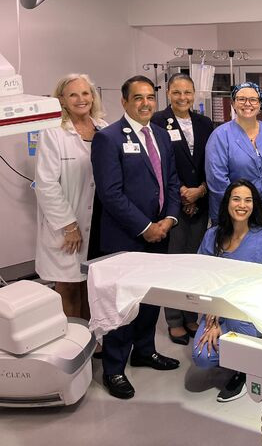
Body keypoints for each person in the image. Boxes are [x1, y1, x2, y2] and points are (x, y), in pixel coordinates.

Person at [91, 75, 181, 399]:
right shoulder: (108, 138)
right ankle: (114, 368)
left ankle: (144, 351)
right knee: (122, 304)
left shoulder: (159, 134)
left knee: (150, 300)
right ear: (125, 102)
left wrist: (169, 219)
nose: (145, 103)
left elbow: (171, 181)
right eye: (138, 98)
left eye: (150, 98)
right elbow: (111, 194)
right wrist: (146, 227)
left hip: (161, 233)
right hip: (126, 237)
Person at [192, 179, 262, 403]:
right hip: (218, 309)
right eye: (236, 199)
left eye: (248, 200)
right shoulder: (212, 236)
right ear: (227, 203)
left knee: (240, 335)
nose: (242, 205)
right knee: (202, 356)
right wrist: (211, 318)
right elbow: (203, 281)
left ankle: (244, 370)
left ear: (254, 205)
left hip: (250, 310)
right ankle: (246, 354)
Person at [35, 74, 107, 320]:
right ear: (62, 101)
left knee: (93, 284)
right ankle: (73, 344)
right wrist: (69, 225)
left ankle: (92, 339)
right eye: (73, 95)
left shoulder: (104, 129)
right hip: (68, 223)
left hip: (100, 220)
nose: (81, 99)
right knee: (68, 285)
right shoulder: (53, 133)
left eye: (85, 93)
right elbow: (46, 184)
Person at [151, 73, 214, 345]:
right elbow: (159, 164)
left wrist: (200, 190)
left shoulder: (205, 123)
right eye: (177, 92)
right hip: (172, 204)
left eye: (187, 92)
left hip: (200, 201)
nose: (183, 98)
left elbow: (210, 161)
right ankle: (174, 319)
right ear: (168, 93)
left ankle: (191, 315)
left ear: (194, 94)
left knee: (195, 263)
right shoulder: (157, 122)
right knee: (173, 263)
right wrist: (181, 195)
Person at [206, 82, 262, 224]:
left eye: (253, 99)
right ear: (233, 103)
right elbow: (217, 180)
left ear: (260, 103)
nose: (247, 104)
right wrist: (243, 205)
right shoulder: (220, 135)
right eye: (241, 99)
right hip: (232, 212)